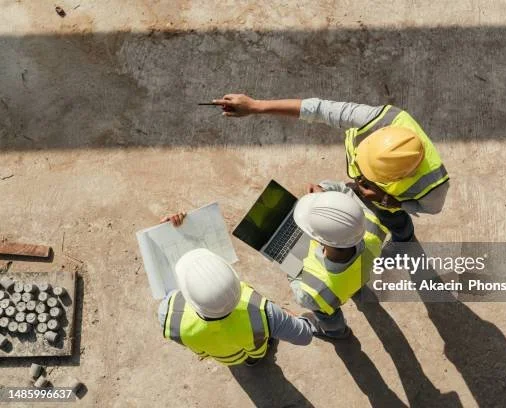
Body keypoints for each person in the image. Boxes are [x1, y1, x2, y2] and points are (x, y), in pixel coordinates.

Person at [211, 94, 449, 242]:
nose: (359, 170)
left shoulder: (434, 185)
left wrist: (389, 202)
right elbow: (318, 109)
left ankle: (404, 238)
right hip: (376, 194)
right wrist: (255, 106)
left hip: (389, 204)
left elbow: (430, 209)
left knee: (396, 222)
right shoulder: (379, 119)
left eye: (369, 173)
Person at [157, 212, 316, 366]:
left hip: (223, 357)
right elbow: (304, 335)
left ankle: (249, 360)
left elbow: (167, 287)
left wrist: (166, 234)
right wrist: (283, 315)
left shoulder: (168, 316)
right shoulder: (265, 313)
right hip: (254, 347)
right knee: (256, 352)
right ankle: (254, 359)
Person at [288, 189, 389, 339]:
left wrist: (290, 267)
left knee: (327, 314)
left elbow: (300, 293)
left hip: (333, 294)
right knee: (352, 283)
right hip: (357, 276)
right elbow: (344, 192)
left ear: (320, 241)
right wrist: (326, 202)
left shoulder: (314, 292)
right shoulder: (372, 226)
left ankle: (336, 332)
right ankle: (356, 291)